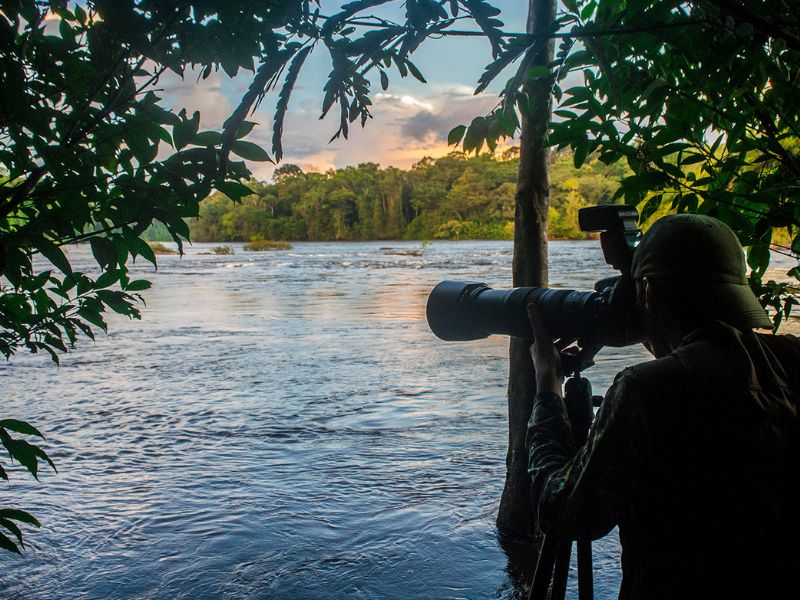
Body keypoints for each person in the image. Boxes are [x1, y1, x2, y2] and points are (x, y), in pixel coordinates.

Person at [526, 213, 800, 599]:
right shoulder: (791, 359)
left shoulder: (646, 389)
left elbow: (564, 512)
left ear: (649, 291)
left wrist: (547, 387)